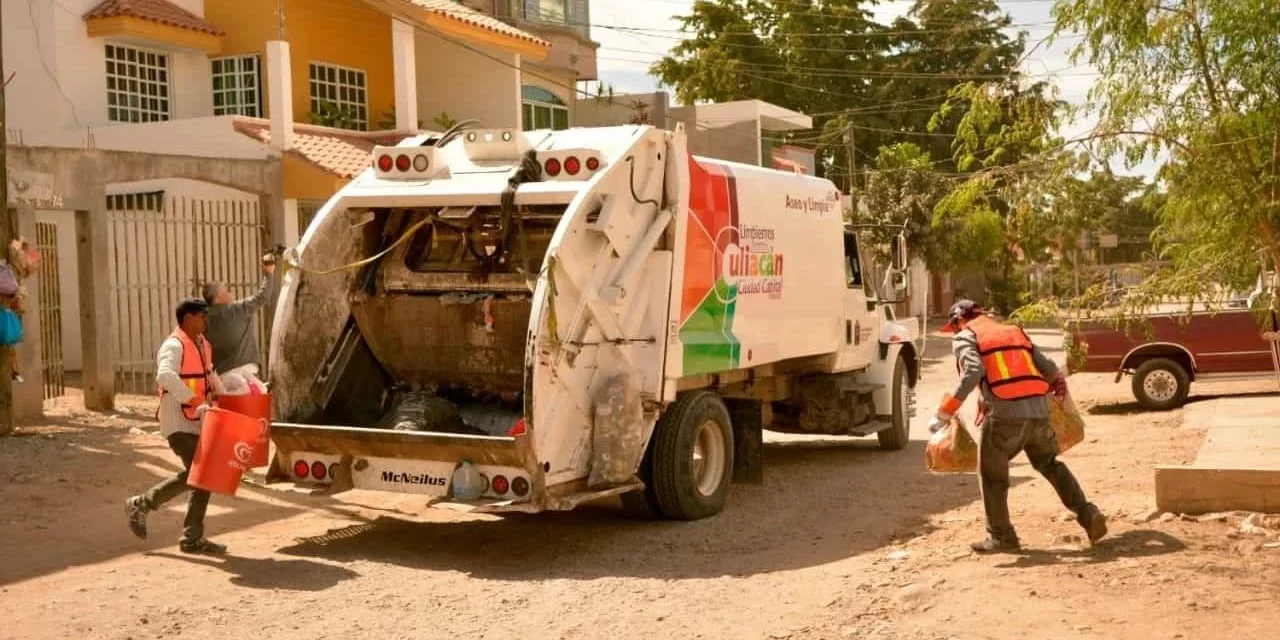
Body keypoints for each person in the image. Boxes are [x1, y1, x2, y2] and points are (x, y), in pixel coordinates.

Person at [929, 299, 1107, 554]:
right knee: (1049, 464)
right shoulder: (1013, 331)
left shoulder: (966, 337)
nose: (955, 332)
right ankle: (1088, 513)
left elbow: (973, 371)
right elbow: (1049, 369)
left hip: (1004, 416)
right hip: (1038, 412)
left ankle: (1002, 537)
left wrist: (944, 412)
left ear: (959, 320)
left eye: (955, 326)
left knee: (992, 476)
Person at [125, 299, 227, 554]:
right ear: (188, 318)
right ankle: (144, 503)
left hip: (198, 419)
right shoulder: (174, 345)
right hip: (178, 421)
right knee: (201, 474)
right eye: (202, 315)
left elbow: (209, 374)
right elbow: (165, 376)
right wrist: (193, 399)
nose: (206, 320)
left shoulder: (202, 344)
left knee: (202, 477)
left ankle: (191, 538)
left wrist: (226, 395)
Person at [201, 253, 278, 377]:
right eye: (226, 290)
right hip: (245, 373)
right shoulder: (236, 309)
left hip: (219, 377)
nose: (231, 293)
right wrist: (268, 273)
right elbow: (263, 296)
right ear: (219, 296)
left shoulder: (204, 318)